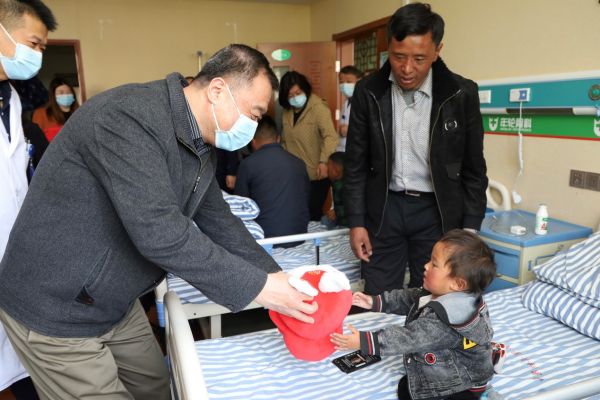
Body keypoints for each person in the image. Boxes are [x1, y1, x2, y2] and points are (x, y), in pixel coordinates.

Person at [0, 44, 318, 400]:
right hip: (56, 304)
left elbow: (220, 221)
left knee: (156, 388)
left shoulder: (199, 145)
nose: (254, 126)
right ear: (217, 91)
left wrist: (276, 278)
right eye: (254, 114)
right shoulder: (127, 117)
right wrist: (260, 288)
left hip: (114, 299)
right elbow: (161, 233)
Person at [344, 2, 488, 295]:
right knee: (378, 295)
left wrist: (470, 228)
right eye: (398, 57)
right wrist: (356, 222)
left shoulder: (461, 94)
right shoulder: (368, 92)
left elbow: (474, 167)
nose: (407, 69)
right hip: (385, 208)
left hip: (437, 211)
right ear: (389, 48)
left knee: (432, 296)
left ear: (437, 51)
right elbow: (355, 164)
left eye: (419, 59)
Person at [331, 229, 497, 400]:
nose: (426, 266)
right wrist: (374, 302)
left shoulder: (444, 322)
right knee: (407, 387)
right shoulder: (444, 294)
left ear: (457, 284)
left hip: (461, 383)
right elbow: (408, 298)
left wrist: (364, 341)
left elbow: (406, 338)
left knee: (411, 393)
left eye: (434, 264)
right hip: (453, 367)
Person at [0, 1, 55, 399]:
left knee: (23, 361)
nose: (37, 56)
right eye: (33, 44)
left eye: (42, 49)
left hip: (16, 250)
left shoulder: (13, 99)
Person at [235, 115, 309, 246]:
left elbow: (240, 206)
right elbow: (307, 197)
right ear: (278, 139)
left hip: (264, 238)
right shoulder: (299, 163)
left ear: (253, 141)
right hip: (298, 236)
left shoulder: (247, 164)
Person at [279, 70, 338, 221]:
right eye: (290, 95)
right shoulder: (287, 112)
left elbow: (330, 136)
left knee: (312, 215)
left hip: (316, 174)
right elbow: (285, 140)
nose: (295, 97)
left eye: (298, 93)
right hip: (294, 174)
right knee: (297, 214)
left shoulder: (318, 107)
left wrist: (324, 162)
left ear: (305, 89)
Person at [32, 76, 78, 141]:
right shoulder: (41, 114)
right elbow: (35, 139)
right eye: (61, 92)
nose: (66, 95)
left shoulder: (80, 112)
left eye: (69, 92)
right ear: (53, 96)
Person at [336, 65, 363, 151]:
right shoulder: (346, 103)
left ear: (359, 81)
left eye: (348, 82)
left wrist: (351, 130)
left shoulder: (364, 103)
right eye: (341, 82)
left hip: (357, 151)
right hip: (342, 149)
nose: (344, 85)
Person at [321, 151, 347, 228]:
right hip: (339, 217)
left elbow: (351, 209)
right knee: (324, 220)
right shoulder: (335, 182)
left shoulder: (347, 187)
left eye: (328, 165)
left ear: (335, 171)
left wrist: (337, 213)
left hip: (348, 222)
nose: (326, 168)